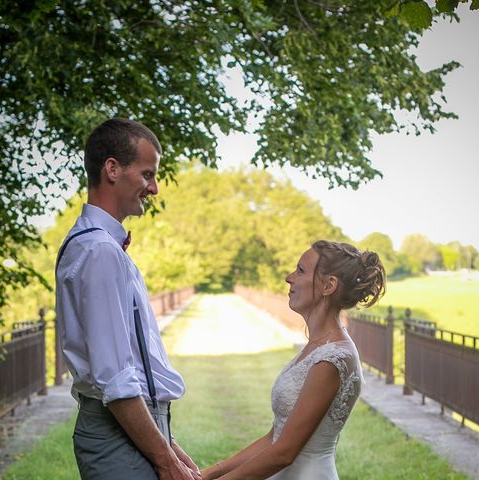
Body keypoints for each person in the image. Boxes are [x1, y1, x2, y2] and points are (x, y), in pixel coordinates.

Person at [55, 118, 200, 480]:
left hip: (129, 428)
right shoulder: (99, 250)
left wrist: (169, 446)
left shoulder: (93, 244)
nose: (154, 188)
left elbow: (134, 364)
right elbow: (116, 379)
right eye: (148, 174)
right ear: (113, 169)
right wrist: (166, 462)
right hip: (116, 430)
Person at [201, 240, 386, 480]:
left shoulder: (332, 359)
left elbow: (284, 453)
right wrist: (209, 473)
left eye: (300, 271)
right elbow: (275, 437)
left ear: (328, 286)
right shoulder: (317, 347)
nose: (289, 278)